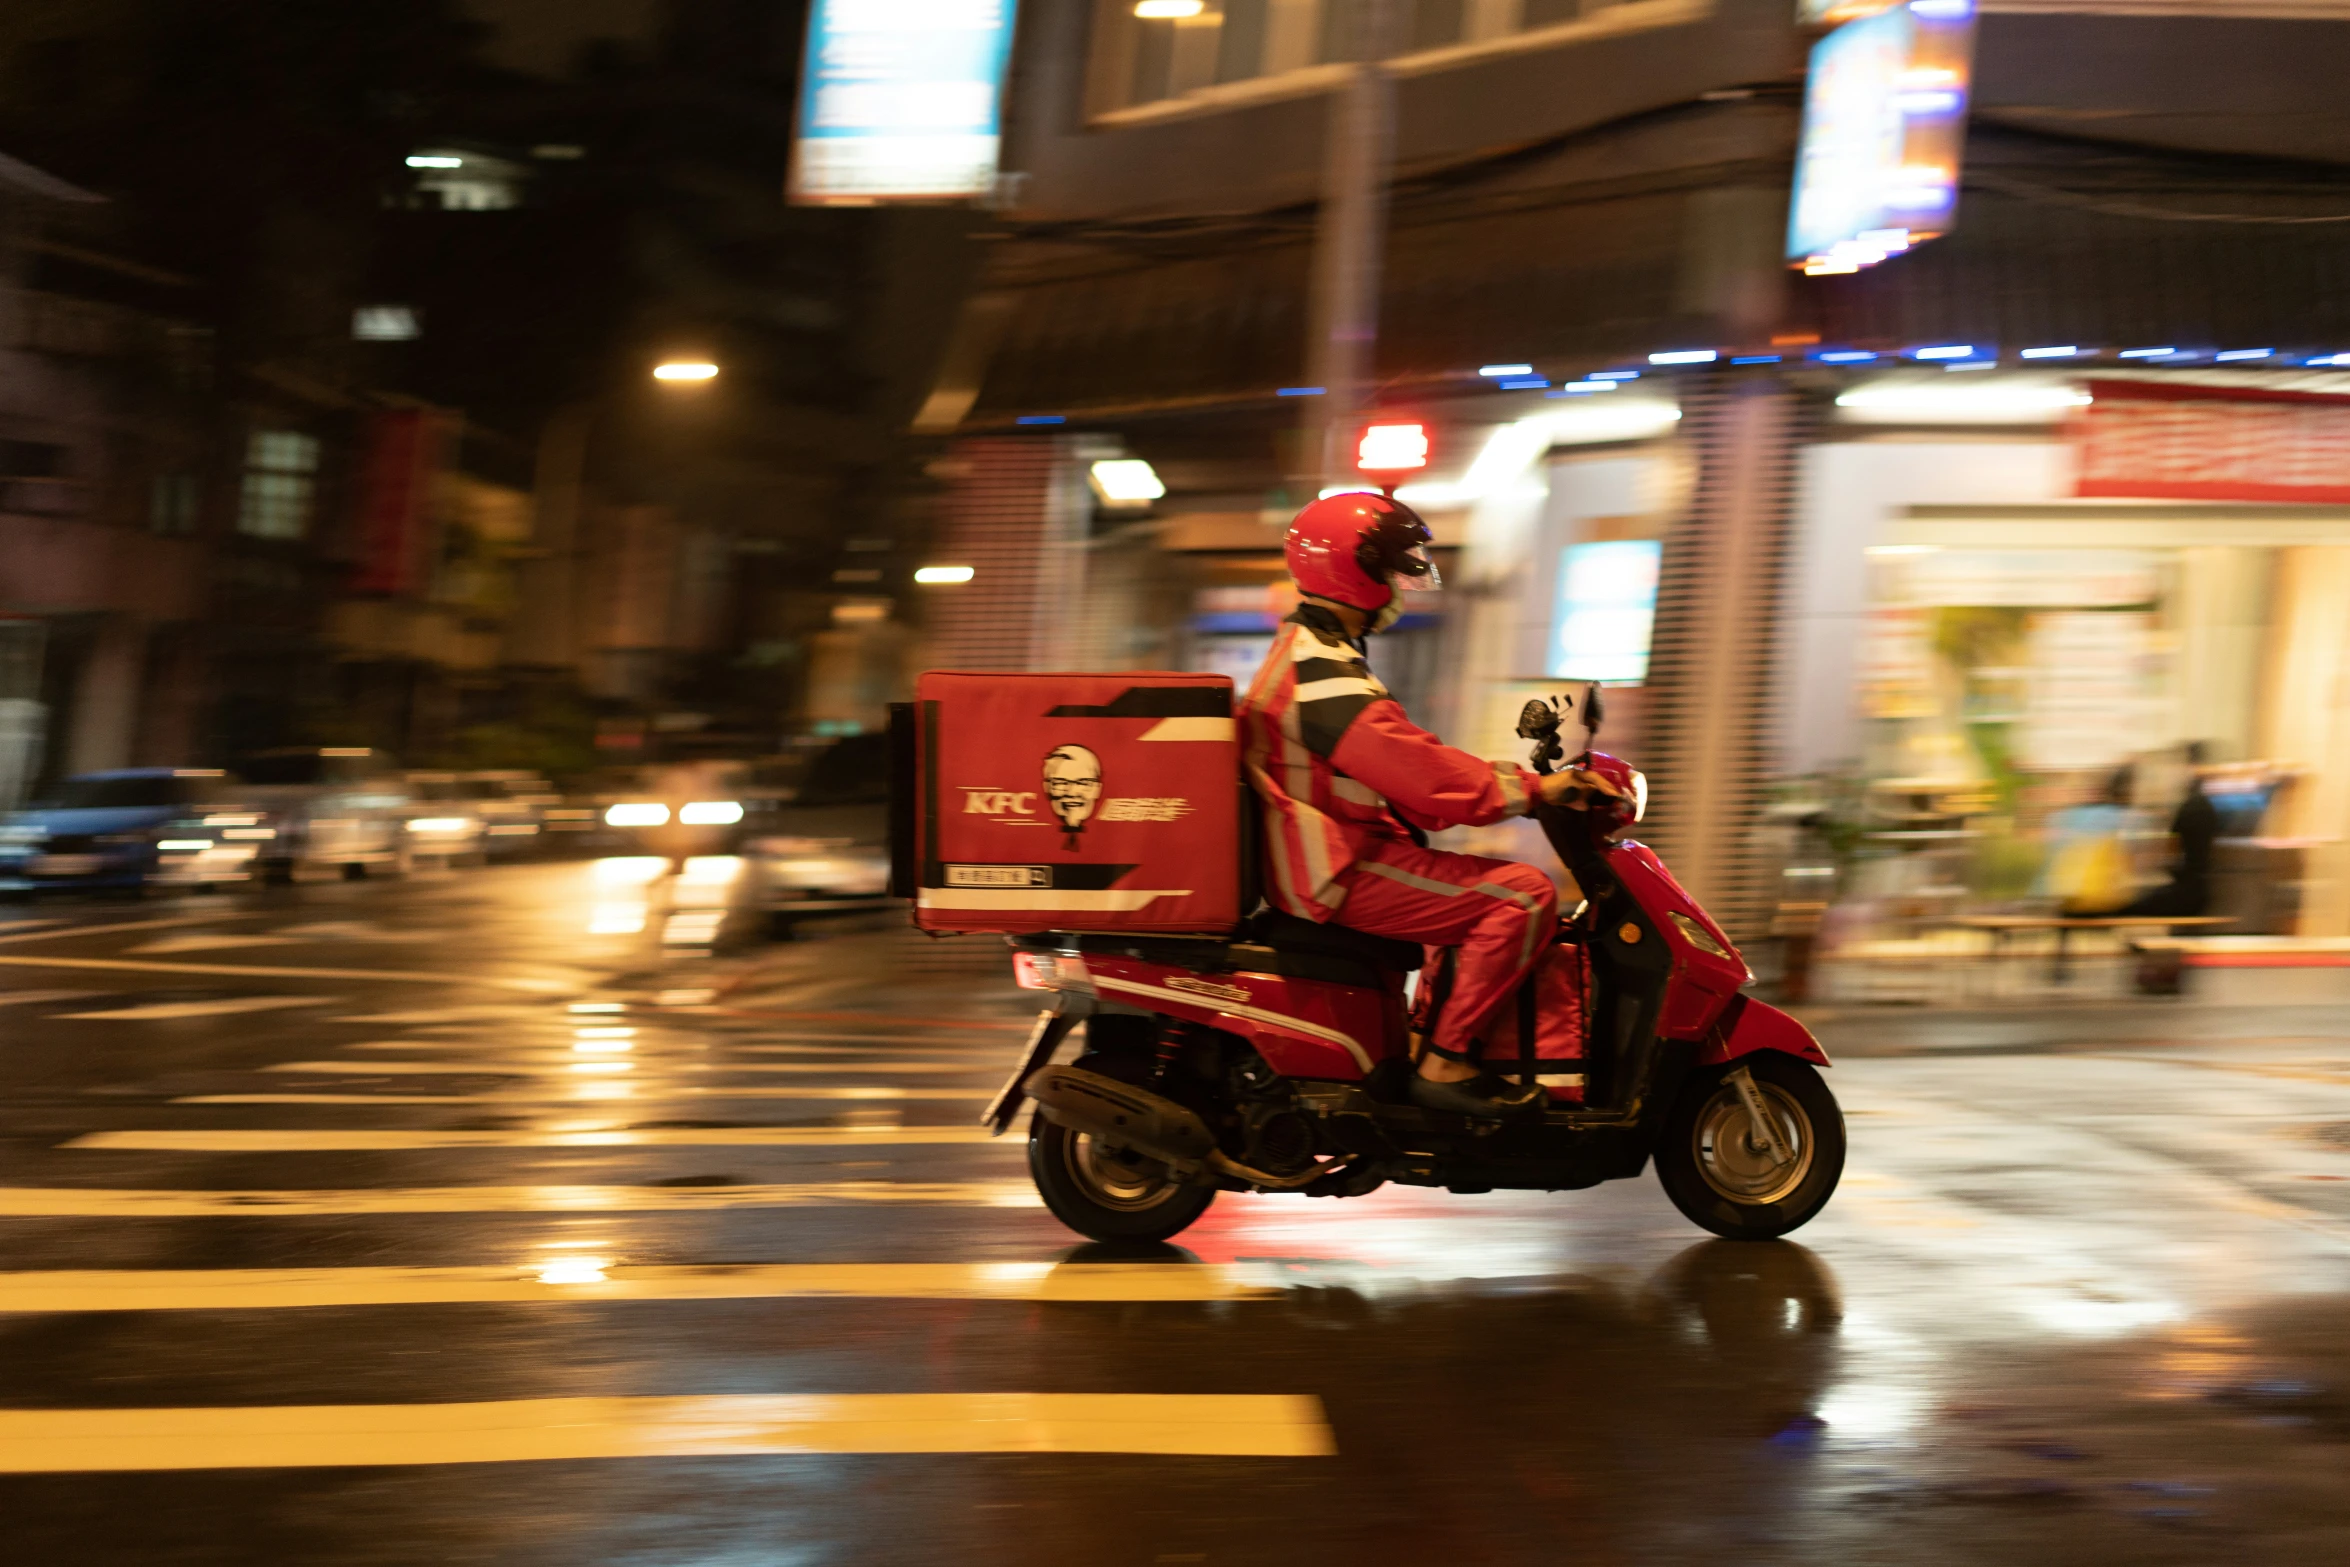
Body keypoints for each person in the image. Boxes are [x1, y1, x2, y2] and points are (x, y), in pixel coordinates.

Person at [1237, 492, 1587, 1120]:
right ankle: (1446, 1065)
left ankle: (1430, 1043)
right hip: (1336, 871)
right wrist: (1534, 791)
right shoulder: (1318, 670)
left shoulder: (1321, 657)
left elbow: (1407, 778)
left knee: (1480, 885)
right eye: (1395, 565)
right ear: (1355, 568)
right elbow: (1422, 777)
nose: (1404, 581)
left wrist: (1498, 792)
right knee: (1522, 896)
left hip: (1340, 854)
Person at [2116, 742, 2220, 920]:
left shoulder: (2191, 807)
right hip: (2199, 891)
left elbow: (2171, 854)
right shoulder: (2205, 804)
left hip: (2185, 893)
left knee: (2124, 909)